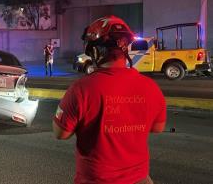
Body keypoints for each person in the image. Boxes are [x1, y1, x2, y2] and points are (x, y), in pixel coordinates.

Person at [52, 15, 166, 184]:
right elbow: (157, 128)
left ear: (95, 51)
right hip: (139, 179)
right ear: (125, 49)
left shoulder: (81, 89)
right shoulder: (151, 87)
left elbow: (61, 133)